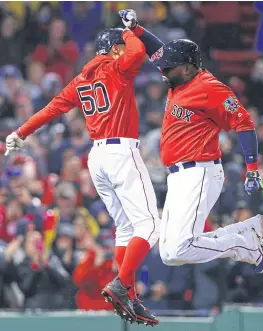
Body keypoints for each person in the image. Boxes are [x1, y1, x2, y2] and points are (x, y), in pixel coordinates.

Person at [5, 22, 160, 325]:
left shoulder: (80, 78)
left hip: (96, 157)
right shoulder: (117, 68)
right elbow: (140, 51)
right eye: (120, 46)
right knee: (151, 225)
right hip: (120, 150)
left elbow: (51, 109)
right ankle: (122, 285)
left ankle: (128, 294)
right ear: (115, 49)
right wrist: (130, 30)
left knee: (126, 229)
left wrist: (22, 131)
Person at [118, 10, 263, 277]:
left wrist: (252, 167)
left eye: (169, 66)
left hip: (200, 171)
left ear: (188, 68)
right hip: (177, 176)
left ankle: (245, 243)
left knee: (178, 250)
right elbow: (158, 52)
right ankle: (245, 234)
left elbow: (244, 124)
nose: (162, 69)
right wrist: (137, 29)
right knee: (168, 254)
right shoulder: (178, 76)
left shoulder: (212, 88)